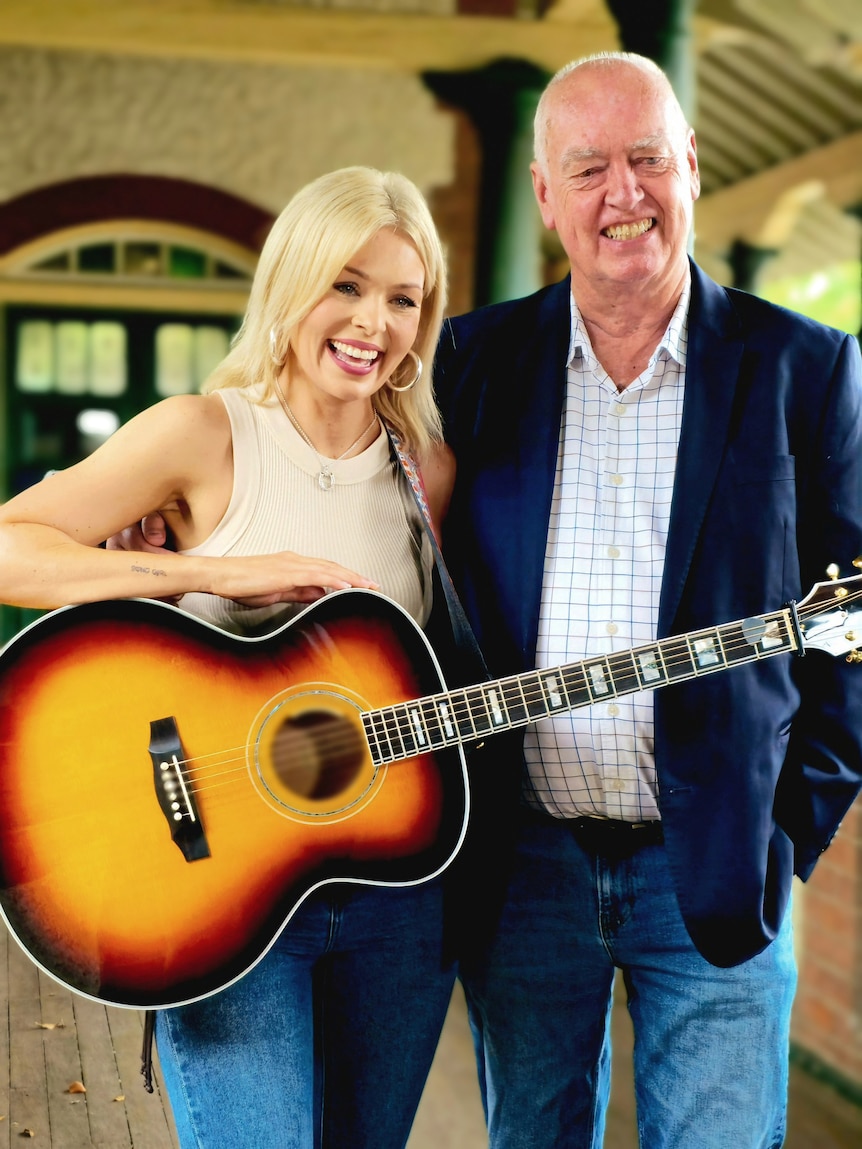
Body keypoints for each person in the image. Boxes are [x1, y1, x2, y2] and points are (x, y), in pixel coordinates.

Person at [434, 52, 862, 1149]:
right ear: (544, 194)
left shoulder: (803, 369)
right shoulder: (472, 365)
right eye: (588, 168)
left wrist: (788, 829)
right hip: (522, 862)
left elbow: (856, 629)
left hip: (714, 867)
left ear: (691, 170)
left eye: (645, 160)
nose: (622, 194)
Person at [0, 166, 459, 1148]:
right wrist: (212, 573)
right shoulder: (202, 436)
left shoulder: (428, 475)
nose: (371, 322)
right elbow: (11, 546)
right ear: (293, 283)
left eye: (401, 298)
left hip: (392, 905)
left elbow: (424, 670)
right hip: (217, 893)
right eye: (346, 284)